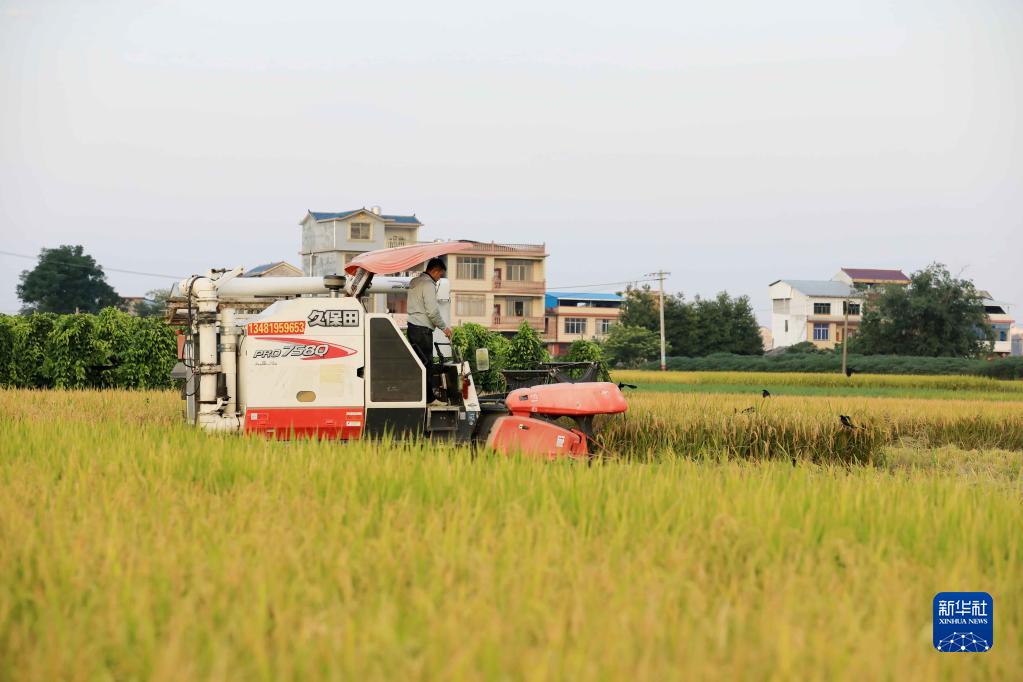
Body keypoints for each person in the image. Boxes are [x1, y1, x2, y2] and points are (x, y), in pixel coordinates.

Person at [406, 257, 452, 405]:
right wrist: (444, 328)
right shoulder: (428, 284)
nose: (439, 279)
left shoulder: (415, 281)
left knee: (417, 364)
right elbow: (432, 311)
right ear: (435, 270)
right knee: (427, 365)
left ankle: (417, 396)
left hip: (412, 328)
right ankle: (429, 399)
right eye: (440, 275)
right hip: (422, 330)